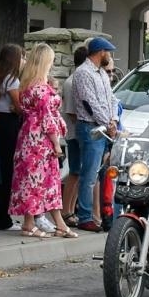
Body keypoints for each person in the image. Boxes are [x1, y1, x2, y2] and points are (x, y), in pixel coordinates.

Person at [11, 44, 72, 238]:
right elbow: (47, 118)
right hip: (41, 139)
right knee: (42, 179)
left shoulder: (28, 86)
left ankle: (33, 222)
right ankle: (34, 223)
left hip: (28, 135)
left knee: (33, 179)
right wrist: (56, 143)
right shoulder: (41, 89)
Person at [70, 36, 120, 230]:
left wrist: (113, 119)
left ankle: (98, 214)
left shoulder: (100, 73)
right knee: (89, 174)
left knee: (100, 173)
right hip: (91, 127)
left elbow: (112, 99)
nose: (109, 55)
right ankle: (85, 216)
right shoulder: (83, 73)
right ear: (100, 52)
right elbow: (89, 104)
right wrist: (107, 123)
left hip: (104, 127)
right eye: (108, 52)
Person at [0, 45, 25, 232]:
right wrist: (19, 108)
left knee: (1, 170)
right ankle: (2, 217)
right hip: (8, 123)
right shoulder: (13, 80)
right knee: (7, 170)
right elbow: (19, 106)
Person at [60, 44, 88, 217]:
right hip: (74, 134)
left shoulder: (75, 79)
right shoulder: (72, 82)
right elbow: (71, 113)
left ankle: (70, 208)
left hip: (76, 133)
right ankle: (66, 210)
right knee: (75, 171)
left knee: (78, 172)